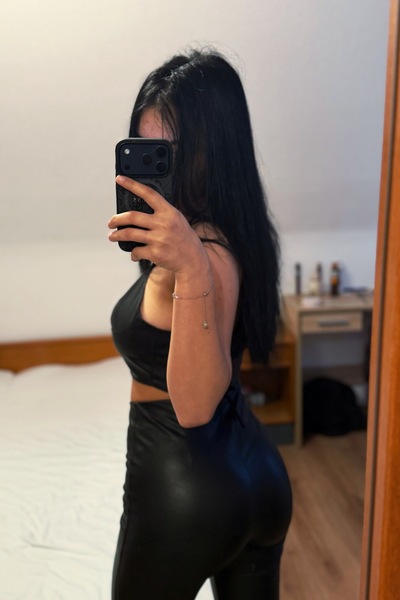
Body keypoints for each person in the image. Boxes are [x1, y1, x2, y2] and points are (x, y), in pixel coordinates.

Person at [108, 48, 292, 600]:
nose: (159, 170)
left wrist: (188, 267)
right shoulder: (234, 234)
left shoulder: (197, 255)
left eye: (174, 153)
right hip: (258, 477)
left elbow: (192, 407)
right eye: (150, 151)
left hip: (182, 493)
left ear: (216, 151)